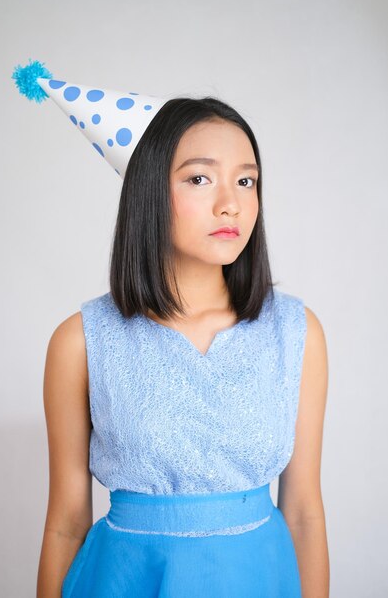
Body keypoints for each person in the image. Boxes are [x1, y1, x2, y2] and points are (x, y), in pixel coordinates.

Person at [36, 96, 329, 597]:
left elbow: (303, 512)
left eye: (246, 180)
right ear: (149, 193)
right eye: (199, 178)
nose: (230, 203)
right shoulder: (81, 341)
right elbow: (65, 522)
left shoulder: (295, 331)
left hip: (259, 579)